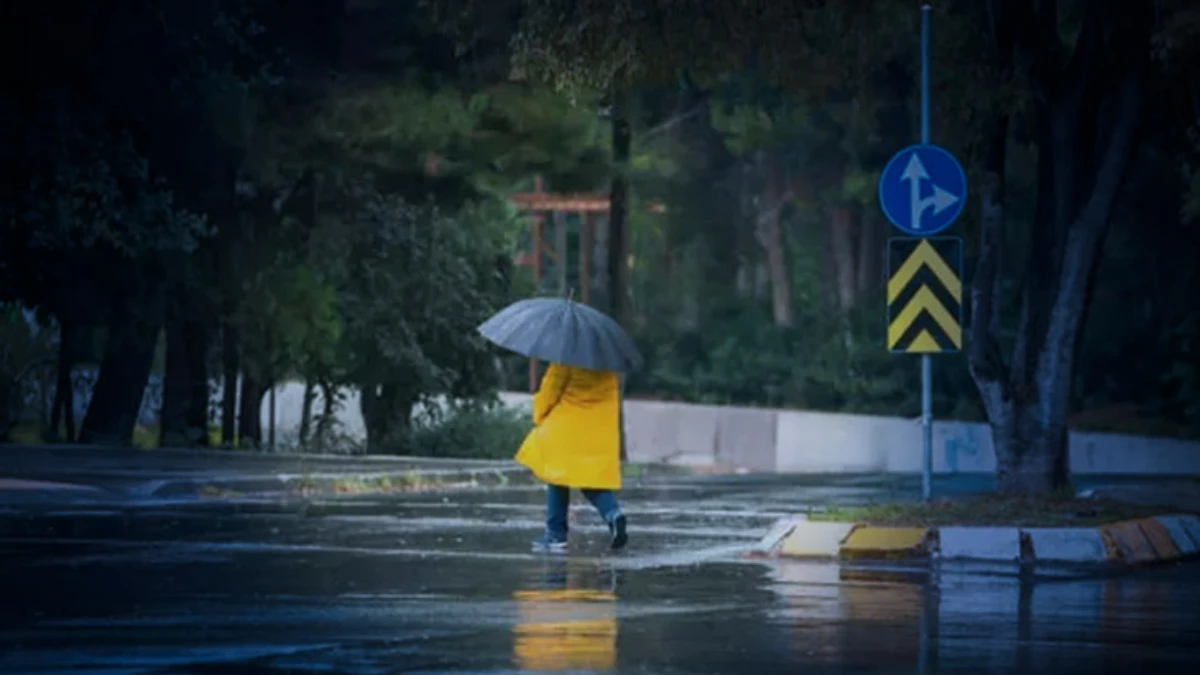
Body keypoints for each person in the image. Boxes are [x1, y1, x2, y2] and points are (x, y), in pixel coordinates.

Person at [515, 361, 628, 554]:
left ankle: (555, 534)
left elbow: (550, 390)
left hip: (567, 427)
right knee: (590, 481)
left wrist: (538, 416)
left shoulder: (566, 360)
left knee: (555, 476)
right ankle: (613, 513)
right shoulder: (608, 365)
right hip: (597, 430)